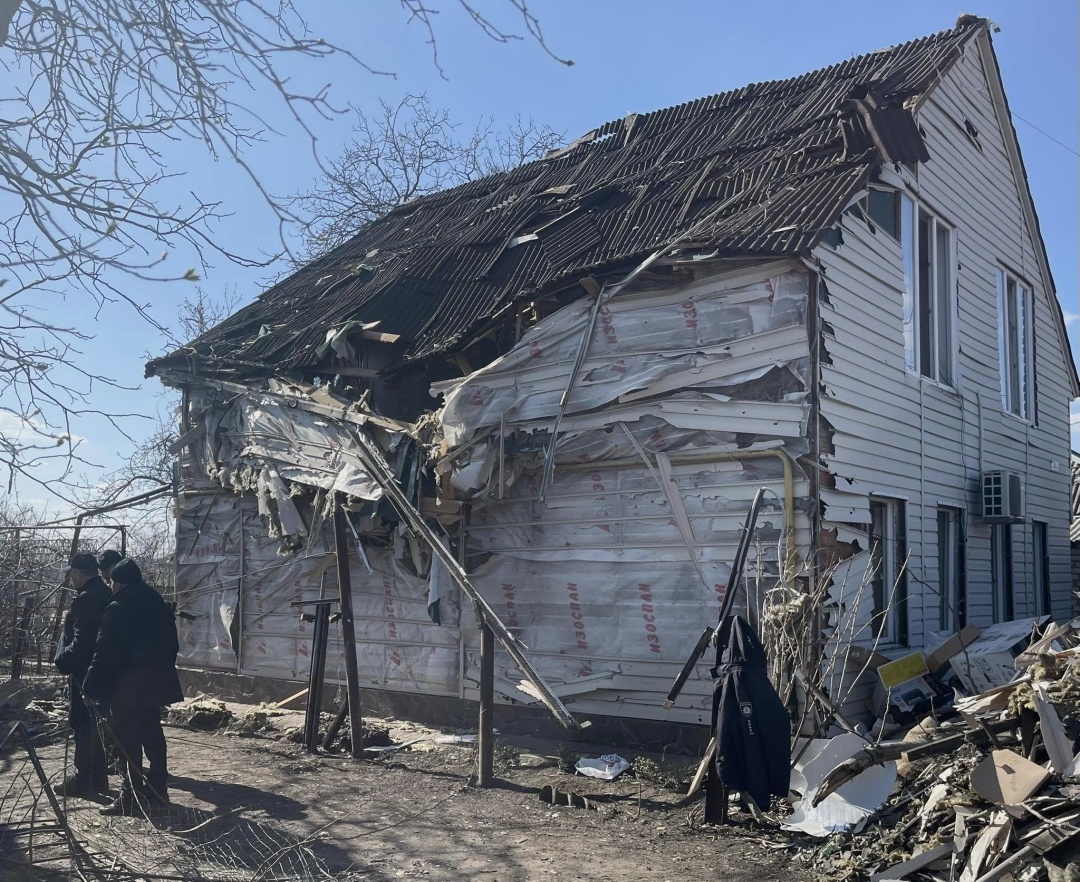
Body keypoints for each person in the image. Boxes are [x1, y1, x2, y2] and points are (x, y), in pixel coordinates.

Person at [83, 558, 184, 815]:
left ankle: (130, 796)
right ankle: (158, 787)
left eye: (111, 581)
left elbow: (104, 651)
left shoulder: (118, 607)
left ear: (118, 582)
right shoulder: (158, 605)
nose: (110, 586)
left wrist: (90, 685)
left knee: (127, 739)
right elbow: (173, 645)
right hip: (155, 684)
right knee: (152, 732)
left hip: (126, 687)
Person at [53, 552, 112, 796]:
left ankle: (84, 780)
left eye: (71, 575)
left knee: (83, 725)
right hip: (103, 670)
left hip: (84, 672)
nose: (71, 580)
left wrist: (63, 658)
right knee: (96, 725)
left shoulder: (86, 599)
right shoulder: (106, 593)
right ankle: (97, 779)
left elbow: (83, 641)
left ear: (77, 573)